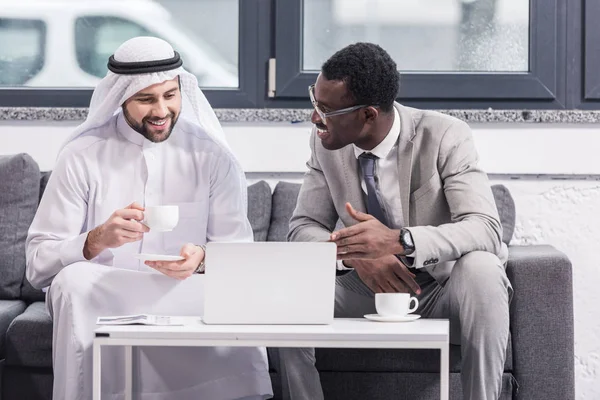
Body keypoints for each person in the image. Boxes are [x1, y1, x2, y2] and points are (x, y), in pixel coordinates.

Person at [25, 36, 272, 400]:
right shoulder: (82, 156)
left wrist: (203, 258)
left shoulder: (211, 155)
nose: (161, 110)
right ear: (120, 96)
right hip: (106, 294)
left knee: (240, 293)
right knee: (73, 283)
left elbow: (236, 251)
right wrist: (94, 240)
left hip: (183, 290)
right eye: (146, 99)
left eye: (170, 95)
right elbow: (37, 265)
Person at [278, 42, 512, 400]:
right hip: (364, 287)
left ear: (368, 115)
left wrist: (398, 241)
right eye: (314, 101)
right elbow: (302, 227)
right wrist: (356, 255)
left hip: (439, 288)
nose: (314, 118)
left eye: (325, 110)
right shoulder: (325, 142)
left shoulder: (445, 135)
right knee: (291, 287)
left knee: (482, 267)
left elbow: (485, 227)